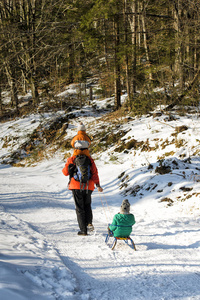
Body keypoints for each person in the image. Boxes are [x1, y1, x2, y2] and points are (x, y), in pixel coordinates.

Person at [62, 155, 103, 236]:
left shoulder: (72, 159)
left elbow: (65, 172)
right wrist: (98, 185)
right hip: (89, 186)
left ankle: (83, 230)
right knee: (87, 205)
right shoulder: (90, 159)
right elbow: (94, 172)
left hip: (76, 186)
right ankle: (89, 223)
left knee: (79, 208)